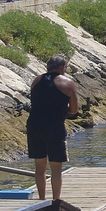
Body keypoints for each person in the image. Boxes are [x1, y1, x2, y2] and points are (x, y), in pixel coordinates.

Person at [26, 54, 79, 202]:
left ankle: (42, 200)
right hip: (54, 126)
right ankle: (56, 201)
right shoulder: (68, 83)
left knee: (39, 167)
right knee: (56, 169)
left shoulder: (36, 80)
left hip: (34, 125)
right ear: (61, 67)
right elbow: (74, 110)